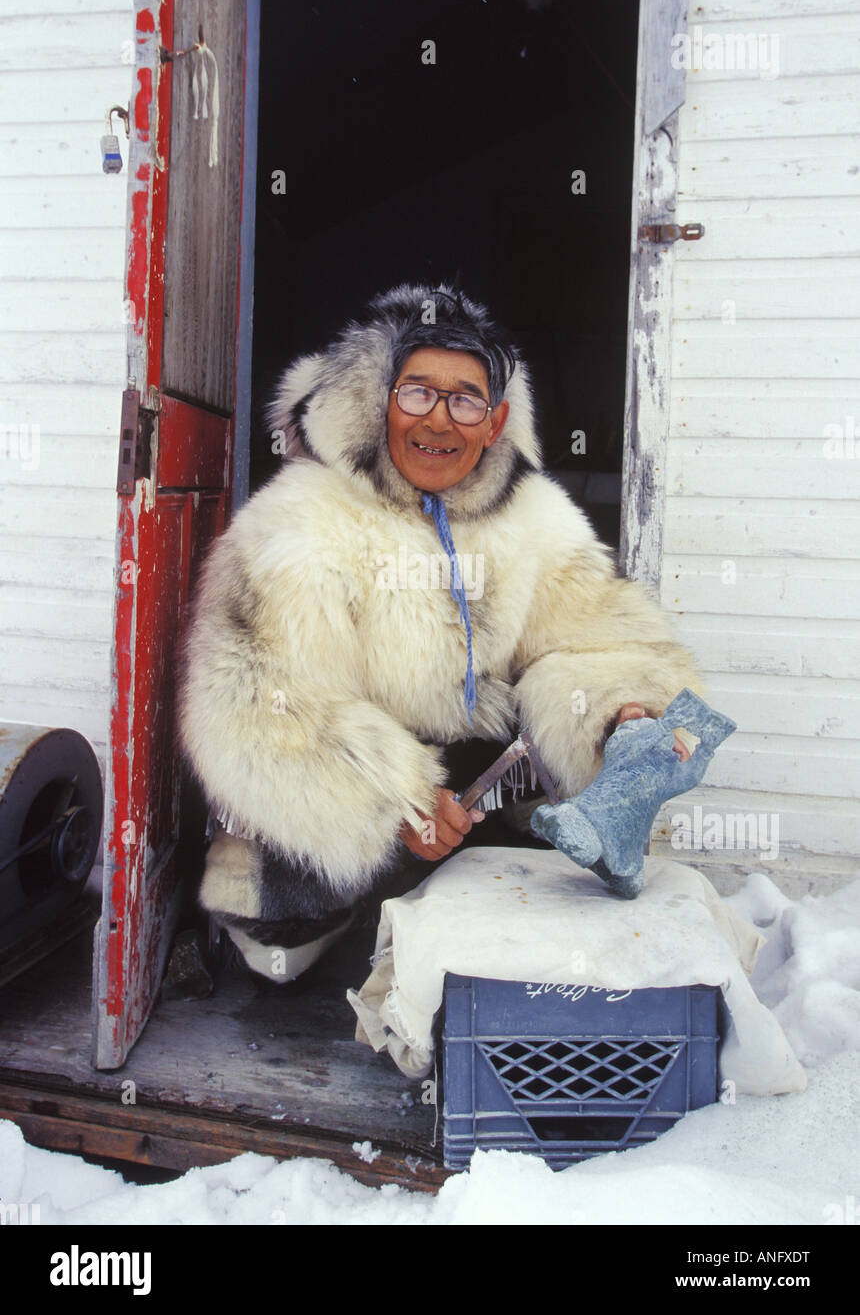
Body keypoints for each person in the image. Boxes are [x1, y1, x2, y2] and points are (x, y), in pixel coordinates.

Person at [178, 283, 700, 982]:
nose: (440, 421)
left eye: (466, 400)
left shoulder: (535, 517)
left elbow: (596, 639)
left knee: (545, 915)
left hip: (477, 786)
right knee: (287, 945)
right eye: (417, 393)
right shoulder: (299, 523)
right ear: (378, 402)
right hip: (364, 803)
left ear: (496, 421)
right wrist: (402, 806)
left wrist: (623, 713)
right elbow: (255, 707)